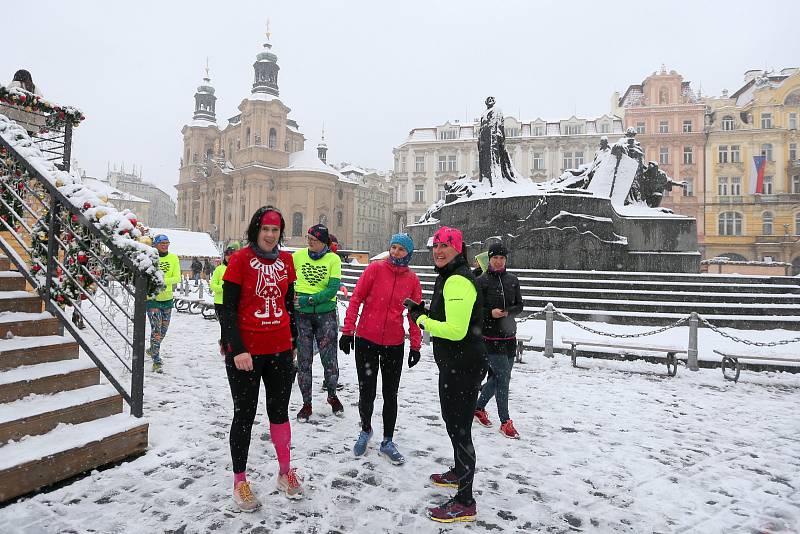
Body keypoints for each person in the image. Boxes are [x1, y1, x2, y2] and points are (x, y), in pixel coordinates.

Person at [218, 206, 304, 511]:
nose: (270, 235)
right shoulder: (241, 259)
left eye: (275, 230)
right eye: (265, 229)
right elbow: (226, 309)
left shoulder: (287, 260)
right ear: (256, 230)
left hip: (280, 349)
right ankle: (240, 481)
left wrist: (293, 340)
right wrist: (237, 348)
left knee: (279, 412)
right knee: (244, 415)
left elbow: (288, 304)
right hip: (246, 353)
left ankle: (284, 472)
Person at [406, 226, 487, 523]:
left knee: (460, 429)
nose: (438, 251)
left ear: (458, 249)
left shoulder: (457, 280)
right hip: (456, 364)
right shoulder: (450, 276)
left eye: (445, 246)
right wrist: (426, 311)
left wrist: (421, 319)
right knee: (453, 422)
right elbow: (451, 318)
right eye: (435, 246)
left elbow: (456, 330)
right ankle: (457, 471)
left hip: (463, 366)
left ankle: (465, 501)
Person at [340, 233, 422, 464]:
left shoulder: (413, 280)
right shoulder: (374, 270)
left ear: (409, 254)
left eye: (401, 249)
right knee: (366, 391)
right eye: (393, 247)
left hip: (394, 344)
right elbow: (356, 298)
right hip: (367, 339)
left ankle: (387, 440)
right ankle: (365, 430)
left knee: (390, 394)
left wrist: (415, 346)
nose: (396, 252)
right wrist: (348, 331)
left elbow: (414, 315)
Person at [293, 224, 343, 420]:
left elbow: (332, 290)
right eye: (308, 238)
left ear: (323, 242)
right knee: (304, 360)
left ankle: (332, 395)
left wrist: (309, 299)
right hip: (302, 317)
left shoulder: (333, 259)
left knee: (329, 359)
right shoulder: (298, 256)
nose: (309, 242)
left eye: (314, 240)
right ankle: (307, 403)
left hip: (325, 316)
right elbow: (288, 278)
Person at [473, 242, 523, 439]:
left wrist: (508, 312)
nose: (499, 261)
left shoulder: (512, 279)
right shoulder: (481, 281)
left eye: (502, 258)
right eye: (495, 258)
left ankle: (477, 408)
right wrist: (490, 313)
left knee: (497, 377)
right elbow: (475, 310)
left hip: (509, 336)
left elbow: (520, 305)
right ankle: (505, 421)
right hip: (490, 337)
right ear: (489, 259)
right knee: (503, 379)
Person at [146, 234, 181, 373]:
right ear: (155, 244)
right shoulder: (151, 257)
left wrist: (161, 280)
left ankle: (152, 349)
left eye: (167, 242)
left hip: (167, 300)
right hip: (152, 298)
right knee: (156, 331)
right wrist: (161, 280)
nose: (165, 245)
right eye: (162, 243)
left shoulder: (173, 258)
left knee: (163, 332)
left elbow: (177, 277)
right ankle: (156, 361)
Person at [210, 241, 241, 351]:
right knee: (224, 325)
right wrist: (225, 288)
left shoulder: (240, 268)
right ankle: (225, 345)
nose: (229, 257)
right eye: (227, 254)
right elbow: (213, 285)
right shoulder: (219, 269)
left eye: (232, 254)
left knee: (234, 325)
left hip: (235, 302)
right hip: (220, 302)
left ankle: (231, 344)